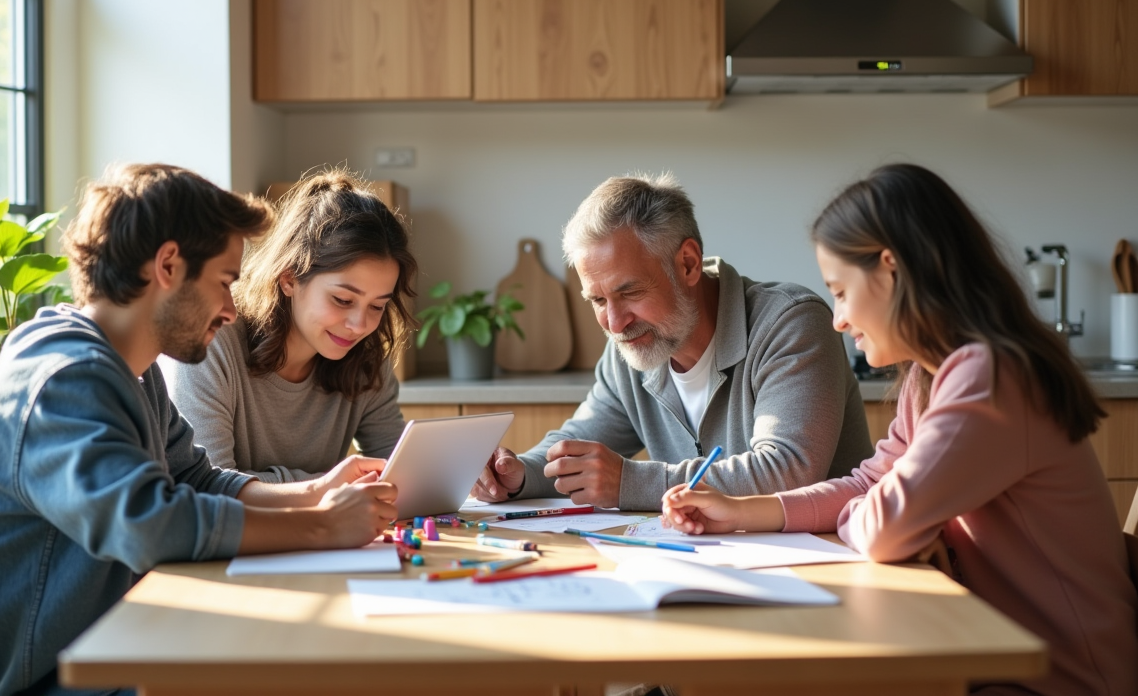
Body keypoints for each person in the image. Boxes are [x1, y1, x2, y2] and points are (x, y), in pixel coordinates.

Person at [662, 163, 1138, 696]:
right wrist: (744, 512)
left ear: (891, 270)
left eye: (841, 291)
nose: (838, 319)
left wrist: (891, 516)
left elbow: (886, 527)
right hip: (984, 651)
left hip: (1058, 679)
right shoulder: (930, 377)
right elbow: (871, 484)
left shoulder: (993, 378)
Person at [0, 164, 398, 696]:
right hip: (57, 681)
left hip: (112, 651)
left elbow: (200, 480)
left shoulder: (132, 372)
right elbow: (147, 524)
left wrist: (312, 495)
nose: (231, 309)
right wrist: (321, 528)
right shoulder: (64, 376)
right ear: (169, 266)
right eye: (224, 282)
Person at [472, 173, 873, 511]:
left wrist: (629, 481)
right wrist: (520, 473)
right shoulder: (631, 348)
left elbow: (788, 469)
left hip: (823, 561)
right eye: (597, 300)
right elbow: (579, 444)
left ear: (688, 264)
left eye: (629, 292)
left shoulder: (790, 322)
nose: (614, 323)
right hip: (712, 560)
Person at [162, 170, 417, 482]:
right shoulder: (213, 340)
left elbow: (397, 471)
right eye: (342, 299)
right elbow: (208, 489)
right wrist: (325, 485)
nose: (360, 325)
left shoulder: (366, 354)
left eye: (378, 305)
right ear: (289, 279)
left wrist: (474, 474)